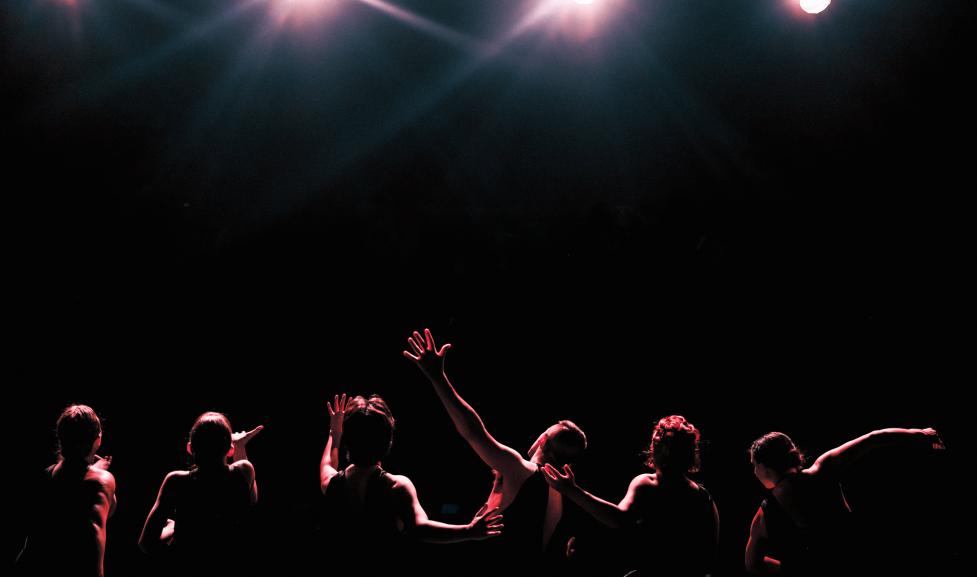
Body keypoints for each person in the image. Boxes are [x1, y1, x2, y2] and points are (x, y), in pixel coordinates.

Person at [404, 328, 587, 567]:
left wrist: (437, 377)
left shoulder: (521, 470)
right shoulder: (563, 494)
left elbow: (473, 431)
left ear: (543, 440)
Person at [319, 393, 502, 573]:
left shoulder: (332, 483)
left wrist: (335, 432)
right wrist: (468, 531)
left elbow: (328, 463)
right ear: (387, 441)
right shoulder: (396, 487)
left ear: (348, 442)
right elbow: (421, 528)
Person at [745, 427, 945, 575]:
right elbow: (874, 438)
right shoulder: (823, 470)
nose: (754, 472)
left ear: (765, 467)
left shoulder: (764, 515)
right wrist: (920, 434)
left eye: (754, 465)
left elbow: (753, 565)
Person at [543, 415, 719, 577]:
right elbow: (709, 557)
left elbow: (619, 518)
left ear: (655, 449)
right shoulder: (704, 497)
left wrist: (572, 490)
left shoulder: (648, 484)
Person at [138, 412, 262, 574]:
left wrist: (172, 528)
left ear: (190, 448)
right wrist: (239, 446)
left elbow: (146, 544)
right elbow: (251, 499)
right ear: (230, 450)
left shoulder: (176, 482)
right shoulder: (245, 471)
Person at [15, 404, 118, 577]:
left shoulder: (46, 475)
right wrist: (100, 473)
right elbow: (110, 512)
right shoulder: (103, 481)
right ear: (98, 440)